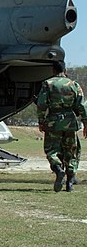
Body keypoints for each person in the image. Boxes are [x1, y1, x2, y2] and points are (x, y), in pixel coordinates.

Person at [36, 60, 87, 192]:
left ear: (53, 71)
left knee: (52, 150)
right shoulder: (74, 84)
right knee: (71, 151)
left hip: (53, 122)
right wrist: (86, 123)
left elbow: (42, 104)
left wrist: (41, 121)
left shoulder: (48, 84)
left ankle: (58, 169)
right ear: (65, 70)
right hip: (71, 122)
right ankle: (70, 182)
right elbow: (81, 105)